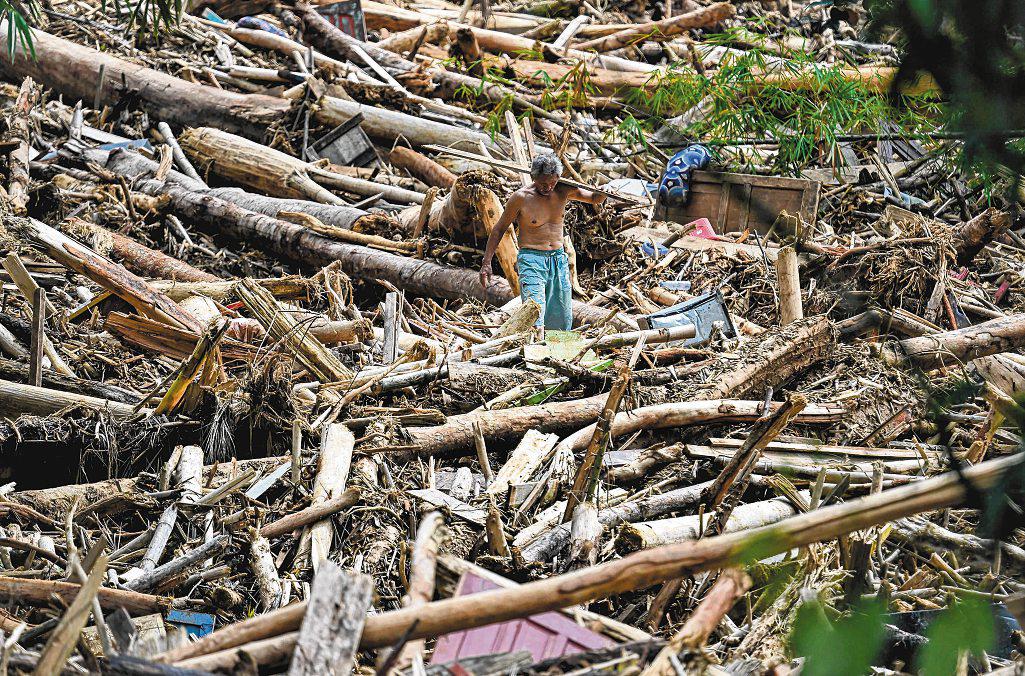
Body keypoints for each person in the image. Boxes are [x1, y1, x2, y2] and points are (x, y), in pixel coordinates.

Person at [479, 153, 607, 332]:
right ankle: (534, 344)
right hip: (531, 260)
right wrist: (486, 262)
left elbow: (594, 198)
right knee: (534, 312)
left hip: (558, 259)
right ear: (533, 177)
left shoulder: (563, 190)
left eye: (552, 183)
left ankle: (556, 349)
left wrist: (604, 191)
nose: (548, 188)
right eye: (543, 183)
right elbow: (499, 229)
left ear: (558, 177)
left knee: (561, 316)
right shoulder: (521, 197)